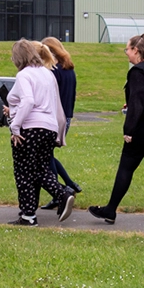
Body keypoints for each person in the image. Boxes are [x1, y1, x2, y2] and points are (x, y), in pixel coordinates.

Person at [88, 33, 144, 226]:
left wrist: (128, 129)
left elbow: (138, 103)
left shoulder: (138, 72)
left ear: (136, 50)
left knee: (126, 166)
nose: (126, 54)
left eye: (127, 49)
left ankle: (110, 209)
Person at [6, 39, 74, 226]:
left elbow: (28, 101)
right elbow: (53, 102)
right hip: (48, 128)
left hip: (30, 128)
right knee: (41, 168)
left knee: (24, 172)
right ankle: (36, 209)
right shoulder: (47, 73)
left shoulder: (24, 75)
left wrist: (15, 126)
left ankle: (56, 197)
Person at [40, 37, 83, 210]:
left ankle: (61, 192)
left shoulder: (53, 71)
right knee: (48, 153)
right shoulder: (69, 70)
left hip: (54, 117)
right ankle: (69, 185)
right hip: (66, 117)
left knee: (46, 155)